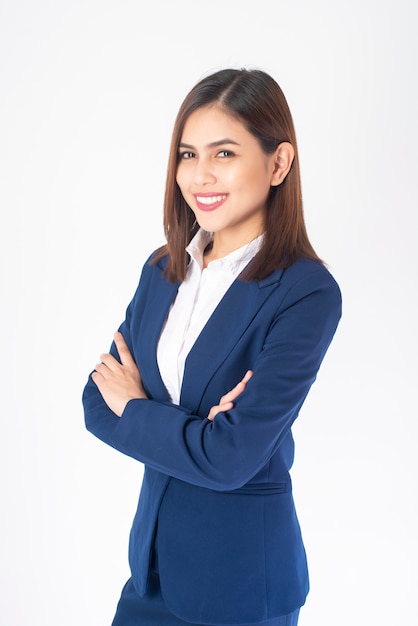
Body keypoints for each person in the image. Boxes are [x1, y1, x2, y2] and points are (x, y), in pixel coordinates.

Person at [83, 67, 342, 626]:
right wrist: (199, 430)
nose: (200, 175)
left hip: (241, 586)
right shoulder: (163, 269)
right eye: (187, 154)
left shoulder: (306, 293)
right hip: (149, 574)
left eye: (224, 153)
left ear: (278, 163)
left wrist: (139, 407)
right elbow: (95, 405)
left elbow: (231, 459)